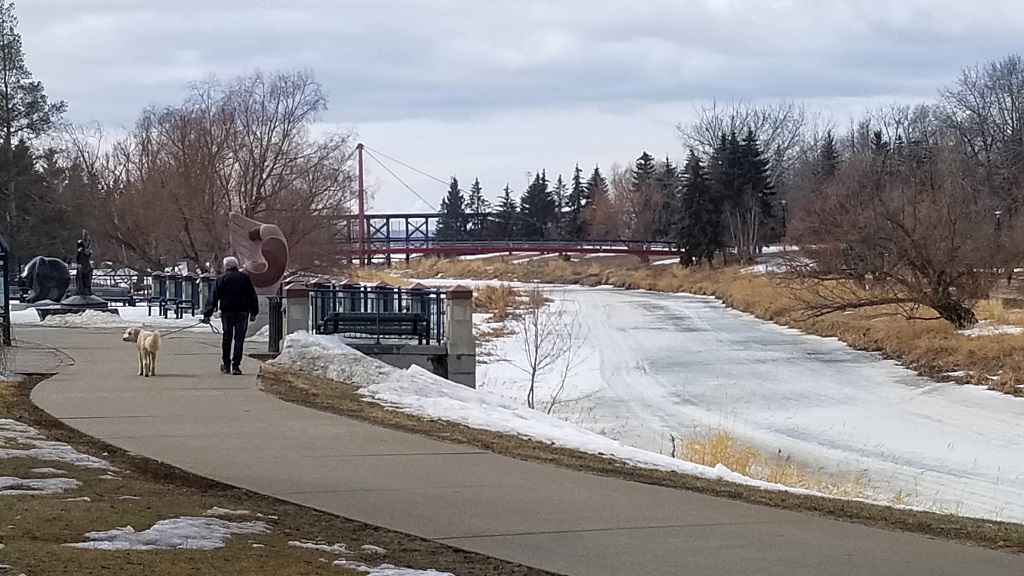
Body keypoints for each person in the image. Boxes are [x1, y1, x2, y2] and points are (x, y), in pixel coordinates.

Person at [201, 256, 260, 375]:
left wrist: (207, 314)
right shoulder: (245, 278)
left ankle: (226, 364)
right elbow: (252, 296)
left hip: (227, 312)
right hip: (243, 312)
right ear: (236, 265)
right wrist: (254, 312)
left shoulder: (221, 278)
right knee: (239, 339)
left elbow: (213, 297)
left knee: (227, 338)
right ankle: (236, 365)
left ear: (226, 266)